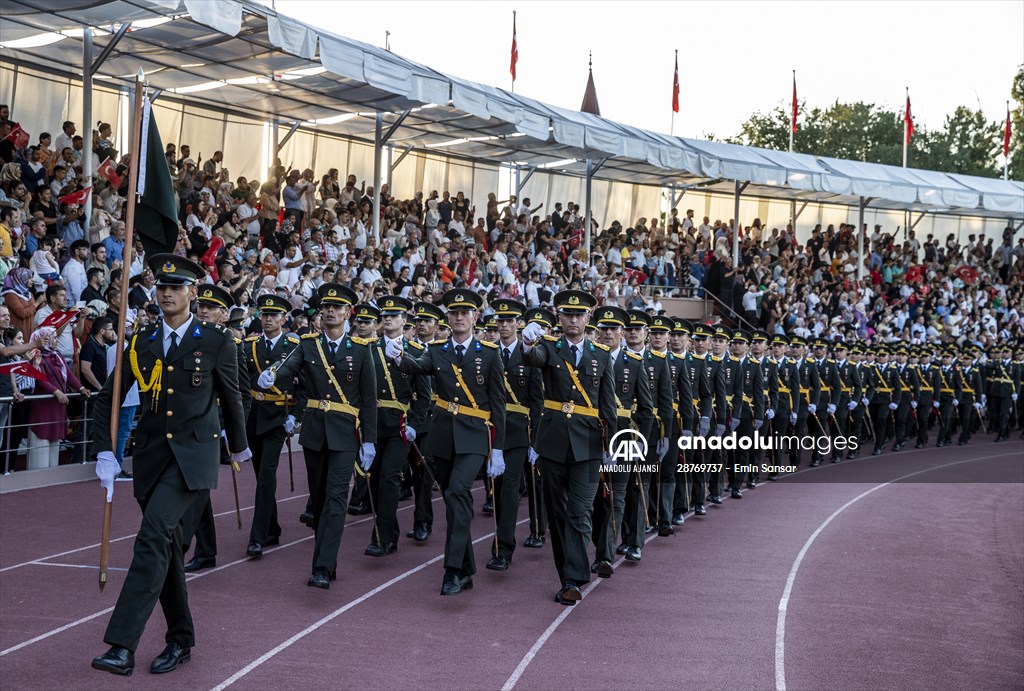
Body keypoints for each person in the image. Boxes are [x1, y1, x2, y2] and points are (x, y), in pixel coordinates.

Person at [90, 254, 251, 677]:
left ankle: (121, 645)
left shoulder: (216, 340)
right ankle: (181, 638)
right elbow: (108, 398)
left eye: (176, 287)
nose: (166, 293)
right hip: (150, 459)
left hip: (193, 459)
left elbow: (232, 396)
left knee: (151, 537)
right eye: (161, 287)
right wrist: (106, 450)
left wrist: (239, 447)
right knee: (166, 552)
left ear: (192, 293)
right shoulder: (141, 340)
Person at [385, 288, 506, 596]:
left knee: (457, 490)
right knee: (455, 504)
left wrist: (498, 448)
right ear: (448, 319)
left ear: (475, 317)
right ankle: (466, 569)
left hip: (476, 435)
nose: (459, 317)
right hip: (444, 435)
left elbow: (498, 403)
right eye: (454, 313)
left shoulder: (490, 354)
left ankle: (452, 570)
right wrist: (398, 356)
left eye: (465, 313)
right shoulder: (437, 349)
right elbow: (418, 366)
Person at [257, 283, 377, 589]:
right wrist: (271, 374)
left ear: (348, 313)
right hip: (314, 432)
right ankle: (326, 561)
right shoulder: (308, 345)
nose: (330, 312)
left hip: (345, 433)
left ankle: (322, 566)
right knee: (320, 499)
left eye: (337, 308)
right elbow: (287, 367)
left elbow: (368, 398)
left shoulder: (362, 350)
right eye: (326, 307)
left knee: (336, 499)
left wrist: (369, 440)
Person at [520, 290, 616, 606]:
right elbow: (533, 360)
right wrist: (527, 342)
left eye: (579, 315)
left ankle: (575, 575)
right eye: (567, 314)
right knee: (558, 513)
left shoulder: (601, 355)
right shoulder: (548, 347)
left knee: (580, 510)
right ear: (560, 318)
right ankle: (568, 577)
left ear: (589, 318)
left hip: (588, 442)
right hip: (553, 441)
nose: (573, 320)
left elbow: (607, 407)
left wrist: (610, 446)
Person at [181, 283, 252, 573]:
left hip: (211, 429)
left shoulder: (229, 343)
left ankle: (197, 549)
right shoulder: (186, 337)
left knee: (197, 494)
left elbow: (241, 394)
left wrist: (231, 431)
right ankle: (205, 549)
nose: (204, 311)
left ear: (224, 314)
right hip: (186, 426)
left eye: (211, 308)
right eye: (202, 307)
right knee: (193, 493)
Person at [361, 296, 431, 556]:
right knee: (376, 478)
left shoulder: (416, 352)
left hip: (399, 426)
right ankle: (390, 530)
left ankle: (382, 536)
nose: (388, 318)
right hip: (372, 425)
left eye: (394, 315)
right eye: (385, 315)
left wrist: (414, 424)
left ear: (404, 320)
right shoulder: (368, 348)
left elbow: (423, 396)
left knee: (390, 478)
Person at [242, 293, 303, 559]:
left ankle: (257, 538)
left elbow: (306, 384)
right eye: (264, 314)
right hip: (254, 415)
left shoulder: (294, 345)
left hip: (280, 416)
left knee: (266, 476)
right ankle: (272, 528)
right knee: (261, 477)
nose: (268, 319)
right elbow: (242, 381)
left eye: (274, 315)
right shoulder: (250, 345)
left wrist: (295, 415)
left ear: (284, 319)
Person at [486, 298, 543, 572]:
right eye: (501, 321)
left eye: (510, 321)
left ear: (518, 324)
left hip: (519, 431)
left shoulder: (530, 355)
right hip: (491, 430)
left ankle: (503, 548)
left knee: (509, 490)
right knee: (495, 492)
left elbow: (537, 401)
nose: (505, 325)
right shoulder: (486, 352)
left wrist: (536, 440)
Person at [25, 325, 89, 469]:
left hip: (57, 405)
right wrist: (56, 392)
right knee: (41, 442)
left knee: (55, 443)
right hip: (44, 406)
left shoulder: (57, 354)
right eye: (52, 338)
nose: (56, 341)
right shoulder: (35, 354)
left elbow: (68, 373)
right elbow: (39, 378)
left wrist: (81, 387)